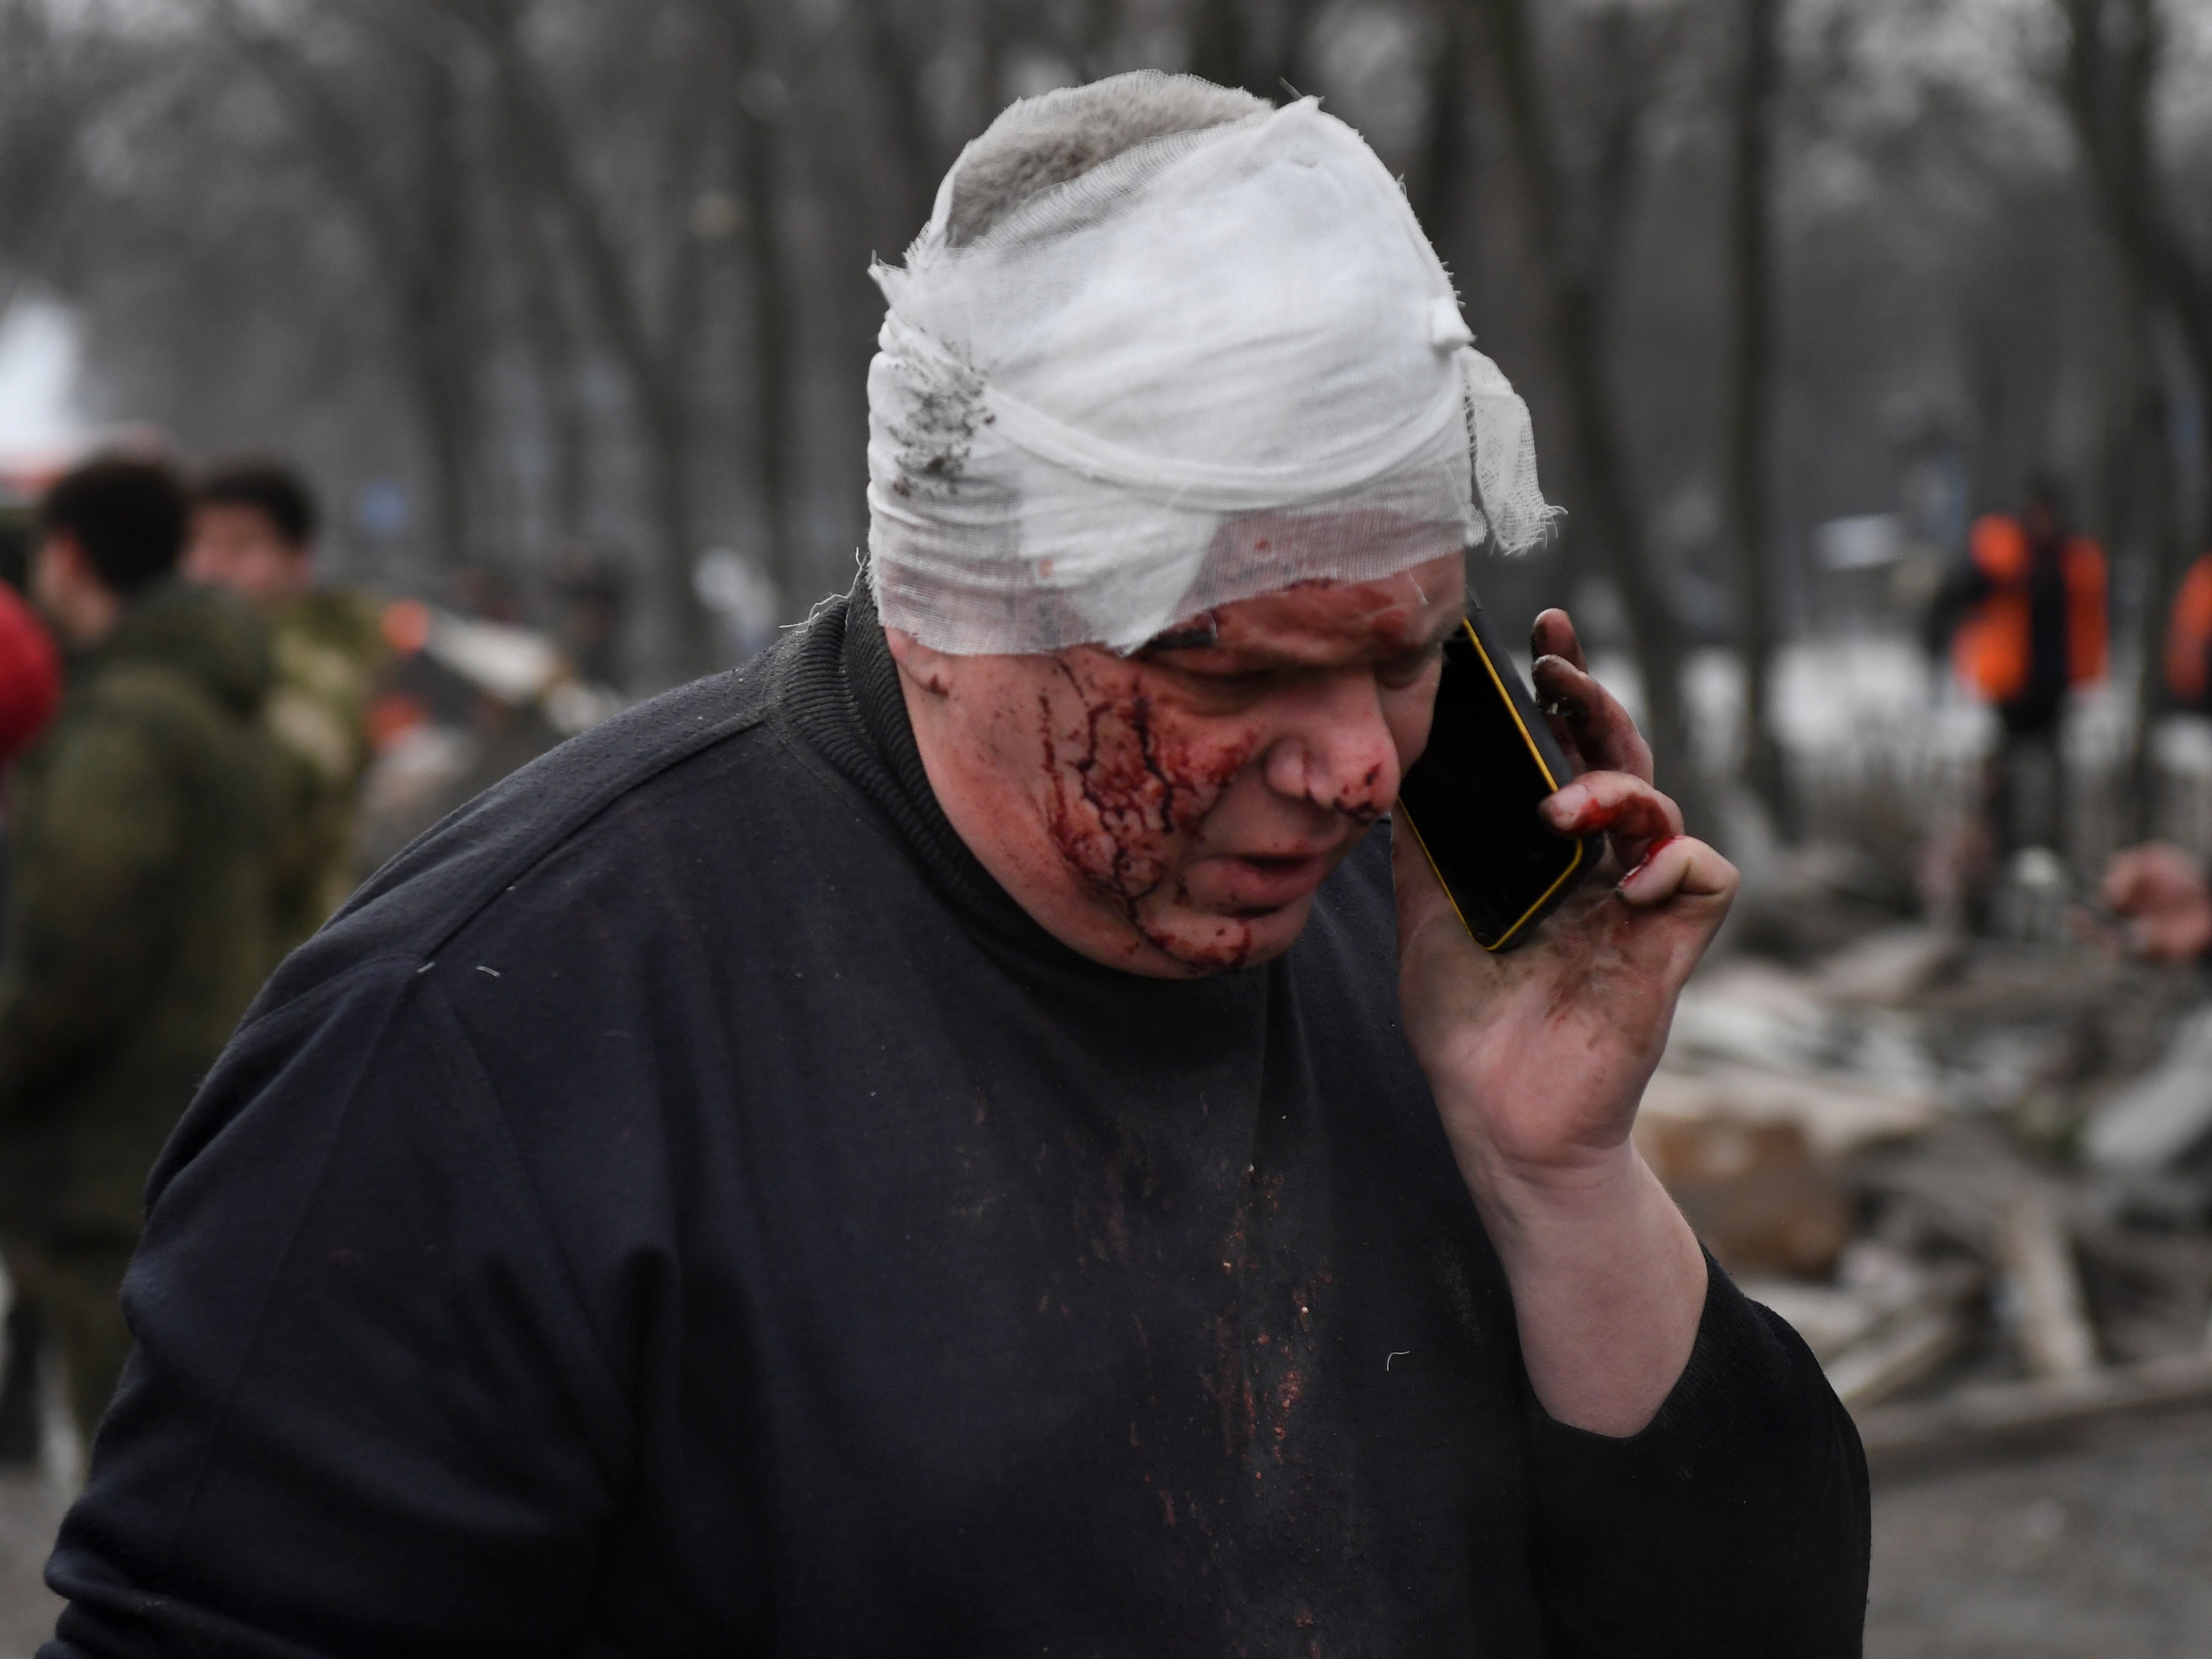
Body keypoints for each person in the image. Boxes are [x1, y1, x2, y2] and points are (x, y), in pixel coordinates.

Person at [41, 77, 1867, 1657]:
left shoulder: (1419, 945)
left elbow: (1759, 1616)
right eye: (1229, 668)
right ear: (956, 609)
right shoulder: (491, 1043)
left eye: (1402, 651)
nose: (1362, 764)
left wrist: (1560, 1172)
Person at [0, 455, 277, 1448]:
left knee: (129, 1461)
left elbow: (76, 955)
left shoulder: (124, 723)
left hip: (113, 1148)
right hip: (194, 1110)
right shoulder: (215, 695)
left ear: (69, 556)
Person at [185, 459, 385, 951]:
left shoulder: (317, 663)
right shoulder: (211, 656)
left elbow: (285, 793)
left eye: (240, 546)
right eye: (199, 544)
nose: (211, 566)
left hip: (288, 955)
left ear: (300, 558)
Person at [1928, 476, 2108, 860]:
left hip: (2056, 682)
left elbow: (2095, 613)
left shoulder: (2074, 559)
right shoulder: (2001, 552)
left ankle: (2055, 847)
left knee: (2053, 774)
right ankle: (2001, 846)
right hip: (2010, 686)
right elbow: (1960, 592)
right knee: (2004, 772)